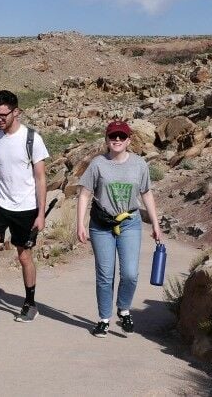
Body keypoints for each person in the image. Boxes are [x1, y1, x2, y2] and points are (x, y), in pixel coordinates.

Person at [76, 120, 162, 338]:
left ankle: (124, 310)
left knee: (130, 274)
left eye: (121, 137)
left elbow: (146, 193)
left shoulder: (140, 164)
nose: (117, 140)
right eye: (113, 136)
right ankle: (104, 319)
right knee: (105, 275)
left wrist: (155, 223)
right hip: (102, 224)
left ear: (129, 140)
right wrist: (80, 223)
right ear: (106, 139)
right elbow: (85, 193)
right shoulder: (98, 164)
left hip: (129, 222)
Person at [0, 90, 49, 329]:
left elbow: (40, 178)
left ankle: (30, 303)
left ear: (16, 112)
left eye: (3, 115)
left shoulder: (32, 139)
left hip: (26, 207)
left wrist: (40, 213)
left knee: (24, 255)